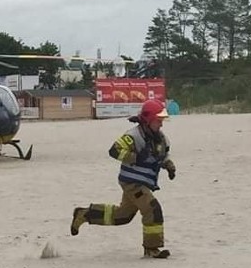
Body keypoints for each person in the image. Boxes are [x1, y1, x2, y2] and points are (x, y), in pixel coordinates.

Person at [70, 99, 176, 259]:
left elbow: (162, 156)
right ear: (148, 120)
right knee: (152, 209)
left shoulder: (161, 139)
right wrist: (135, 157)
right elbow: (114, 151)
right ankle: (151, 248)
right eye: (158, 121)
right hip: (132, 182)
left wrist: (169, 166)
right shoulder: (133, 136)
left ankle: (85, 214)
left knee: (122, 216)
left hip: (143, 182)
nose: (161, 125)